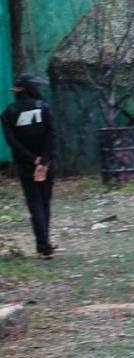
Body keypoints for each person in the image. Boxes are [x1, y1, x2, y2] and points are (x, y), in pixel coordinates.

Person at [1, 73, 57, 259]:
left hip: (26, 165)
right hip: (46, 163)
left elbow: (13, 143)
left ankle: (44, 246)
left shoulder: (9, 113)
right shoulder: (44, 107)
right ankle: (45, 243)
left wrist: (32, 159)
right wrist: (44, 160)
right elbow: (51, 134)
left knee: (35, 205)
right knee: (44, 201)